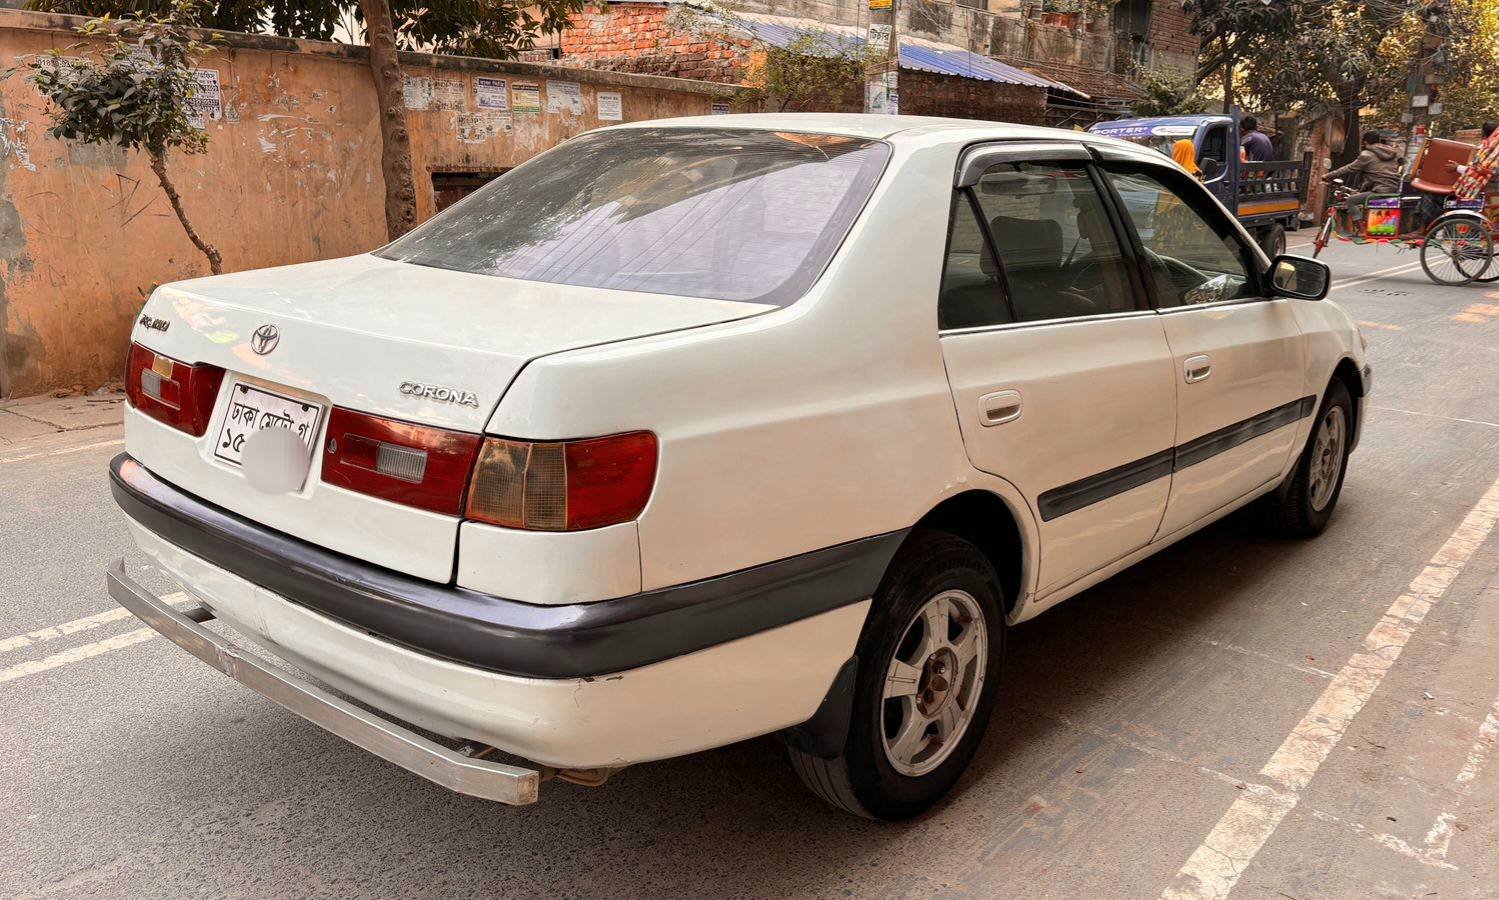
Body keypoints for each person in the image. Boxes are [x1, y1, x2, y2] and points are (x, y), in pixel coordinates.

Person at [1325, 131, 1403, 227]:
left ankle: (1361, 228)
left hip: (1380, 190)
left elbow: (1349, 168)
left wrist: (1328, 175)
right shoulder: (1392, 152)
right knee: (1360, 194)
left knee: (1351, 200)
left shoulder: (1366, 155)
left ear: (1365, 142)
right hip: (1394, 189)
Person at [1451, 121, 1499, 200]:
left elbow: (1486, 172)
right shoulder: (1485, 149)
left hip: (1482, 193)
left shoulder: (1492, 154)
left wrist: (1457, 168)